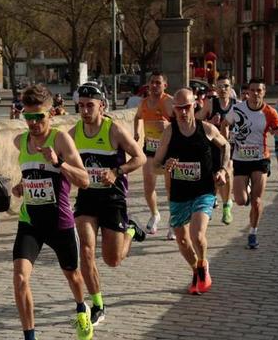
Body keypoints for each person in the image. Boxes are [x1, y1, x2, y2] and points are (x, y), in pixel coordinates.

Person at [8, 85, 94, 340]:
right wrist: (22, 186)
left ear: (52, 114)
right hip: (30, 220)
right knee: (20, 278)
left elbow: (84, 180)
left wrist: (58, 163)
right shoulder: (21, 141)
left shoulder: (61, 140)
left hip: (59, 222)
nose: (33, 124)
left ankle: (82, 309)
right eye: (28, 117)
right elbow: (30, 176)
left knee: (73, 275)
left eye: (39, 117)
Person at [71, 85, 147, 326]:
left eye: (89, 105)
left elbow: (140, 157)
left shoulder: (113, 129)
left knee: (112, 260)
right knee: (85, 250)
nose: (84, 110)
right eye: (81, 105)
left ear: (101, 106)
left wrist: (117, 171)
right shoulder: (74, 133)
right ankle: (98, 304)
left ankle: (131, 231)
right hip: (87, 197)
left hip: (113, 199)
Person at [153, 88, 231, 294]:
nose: (183, 112)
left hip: (203, 190)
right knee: (182, 240)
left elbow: (226, 146)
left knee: (196, 235)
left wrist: (222, 170)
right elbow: (155, 165)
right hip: (179, 193)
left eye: (186, 107)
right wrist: (165, 167)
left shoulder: (205, 128)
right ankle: (197, 268)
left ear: (194, 105)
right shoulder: (170, 132)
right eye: (178, 108)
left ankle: (203, 264)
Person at [222, 78, 278, 249]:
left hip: (260, 159)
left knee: (257, 201)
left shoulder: (269, 112)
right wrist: (226, 140)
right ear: (248, 92)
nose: (255, 94)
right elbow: (225, 124)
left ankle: (253, 232)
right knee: (240, 200)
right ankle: (248, 192)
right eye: (252, 90)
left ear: (264, 92)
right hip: (240, 159)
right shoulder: (237, 109)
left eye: (259, 90)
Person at [133, 71, 173, 237]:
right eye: (152, 82)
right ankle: (155, 214)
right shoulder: (143, 103)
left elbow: (180, 122)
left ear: (165, 85)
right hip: (150, 148)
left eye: (158, 82)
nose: (155, 85)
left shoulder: (168, 101)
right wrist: (136, 132)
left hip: (168, 150)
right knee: (148, 186)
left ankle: (173, 221)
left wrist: (168, 124)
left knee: (170, 188)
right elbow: (137, 117)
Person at [199, 76, 236, 224]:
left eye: (226, 86)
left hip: (230, 146)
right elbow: (196, 120)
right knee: (214, 178)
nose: (223, 89)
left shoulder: (236, 105)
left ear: (231, 88)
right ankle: (213, 201)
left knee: (227, 172)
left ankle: (227, 206)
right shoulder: (210, 103)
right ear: (216, 88)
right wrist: (210, 122)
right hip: (213, 146)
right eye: (220, 86)